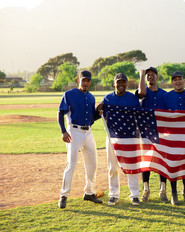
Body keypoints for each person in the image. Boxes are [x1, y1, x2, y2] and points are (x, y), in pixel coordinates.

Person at [57, 70, 102, 209]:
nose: (86, 83)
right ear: (79, 81)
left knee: (93, 164)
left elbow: (91, 119)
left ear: (90, 82)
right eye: (84, 80)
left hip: (88, 132)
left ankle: (89, 192)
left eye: (88, 80)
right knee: (71, 164)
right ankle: (63, 196)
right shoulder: (69, 94)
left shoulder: (91, 97)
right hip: (74, 132)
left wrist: (99, 113)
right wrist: (63, 131)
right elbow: (60, 112)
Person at [97, 73, 141, 206]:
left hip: (129, 137)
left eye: (123, 82)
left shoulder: (132, 98)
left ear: (127, 84)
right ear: (114, 83)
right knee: (112, 167)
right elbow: (100, 112)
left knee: (132, 166)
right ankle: (113, 194)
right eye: (118, 82)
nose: (121, 84)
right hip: (113, 137)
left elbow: (138, 116)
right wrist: (99, 108)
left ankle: (134, 195)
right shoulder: (108, 98)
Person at [158, 71, 185, 205]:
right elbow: (161, 115)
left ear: (184, 80)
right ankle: (173, 193)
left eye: (180, 79)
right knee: (173, 165)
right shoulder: (166, 96)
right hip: (171, 136)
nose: (177, 82)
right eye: (175, 80)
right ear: (172, 82)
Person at [136, 66, 168, 203]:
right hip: (146, 132)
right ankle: (146, 189)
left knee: (162, 161)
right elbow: (142, 93)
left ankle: (163, 190)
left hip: (162, 132)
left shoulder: (164, 94)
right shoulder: (142, 91)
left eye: (152, 74)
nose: (150, 77)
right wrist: (141, 75)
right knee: (146, 161)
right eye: (148, 75)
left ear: (157, 77)